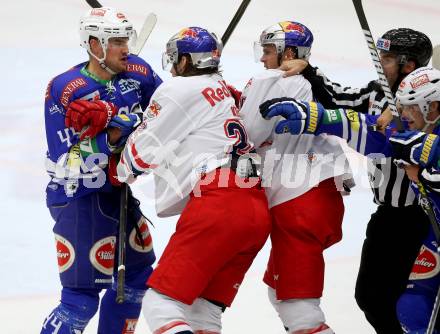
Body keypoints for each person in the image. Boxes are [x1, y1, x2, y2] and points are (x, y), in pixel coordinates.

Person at [259, 66, 440, 333]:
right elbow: (371, 131)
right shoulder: (411, 134)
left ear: (433, 107)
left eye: (410, 107)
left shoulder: (424, 142)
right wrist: (316, 117)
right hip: (429, 236)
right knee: (407, 307)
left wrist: (430, 162)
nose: (402, 115)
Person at [116, 27, 272, 334]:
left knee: (160, 304)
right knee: (203, 314)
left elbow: (139, 158)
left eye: (176, 59)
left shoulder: (177, 90)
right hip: (254, 210)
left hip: (220, 205)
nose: (173, 66)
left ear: (187, 61)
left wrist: (124, 139)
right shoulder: (223, 87)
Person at [41, 7, 161, 334]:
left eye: (127, 39)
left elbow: (168, 115)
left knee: (137, 280)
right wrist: (109, 138)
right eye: (117, 41)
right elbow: (65, 161)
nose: (126, 48)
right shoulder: (66, 88)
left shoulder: (139, 74)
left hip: (116, 194)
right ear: (94, 45)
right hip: (79, 198)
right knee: (80, 299)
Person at [238, 21, 352, 334]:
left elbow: (245, 138)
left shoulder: (271, 80)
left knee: (299, 308)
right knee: (280, 292)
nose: (263, 59)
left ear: (288, 52)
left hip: (298, 201)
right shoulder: (311, 82)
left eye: (268, 50)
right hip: (323, 197)